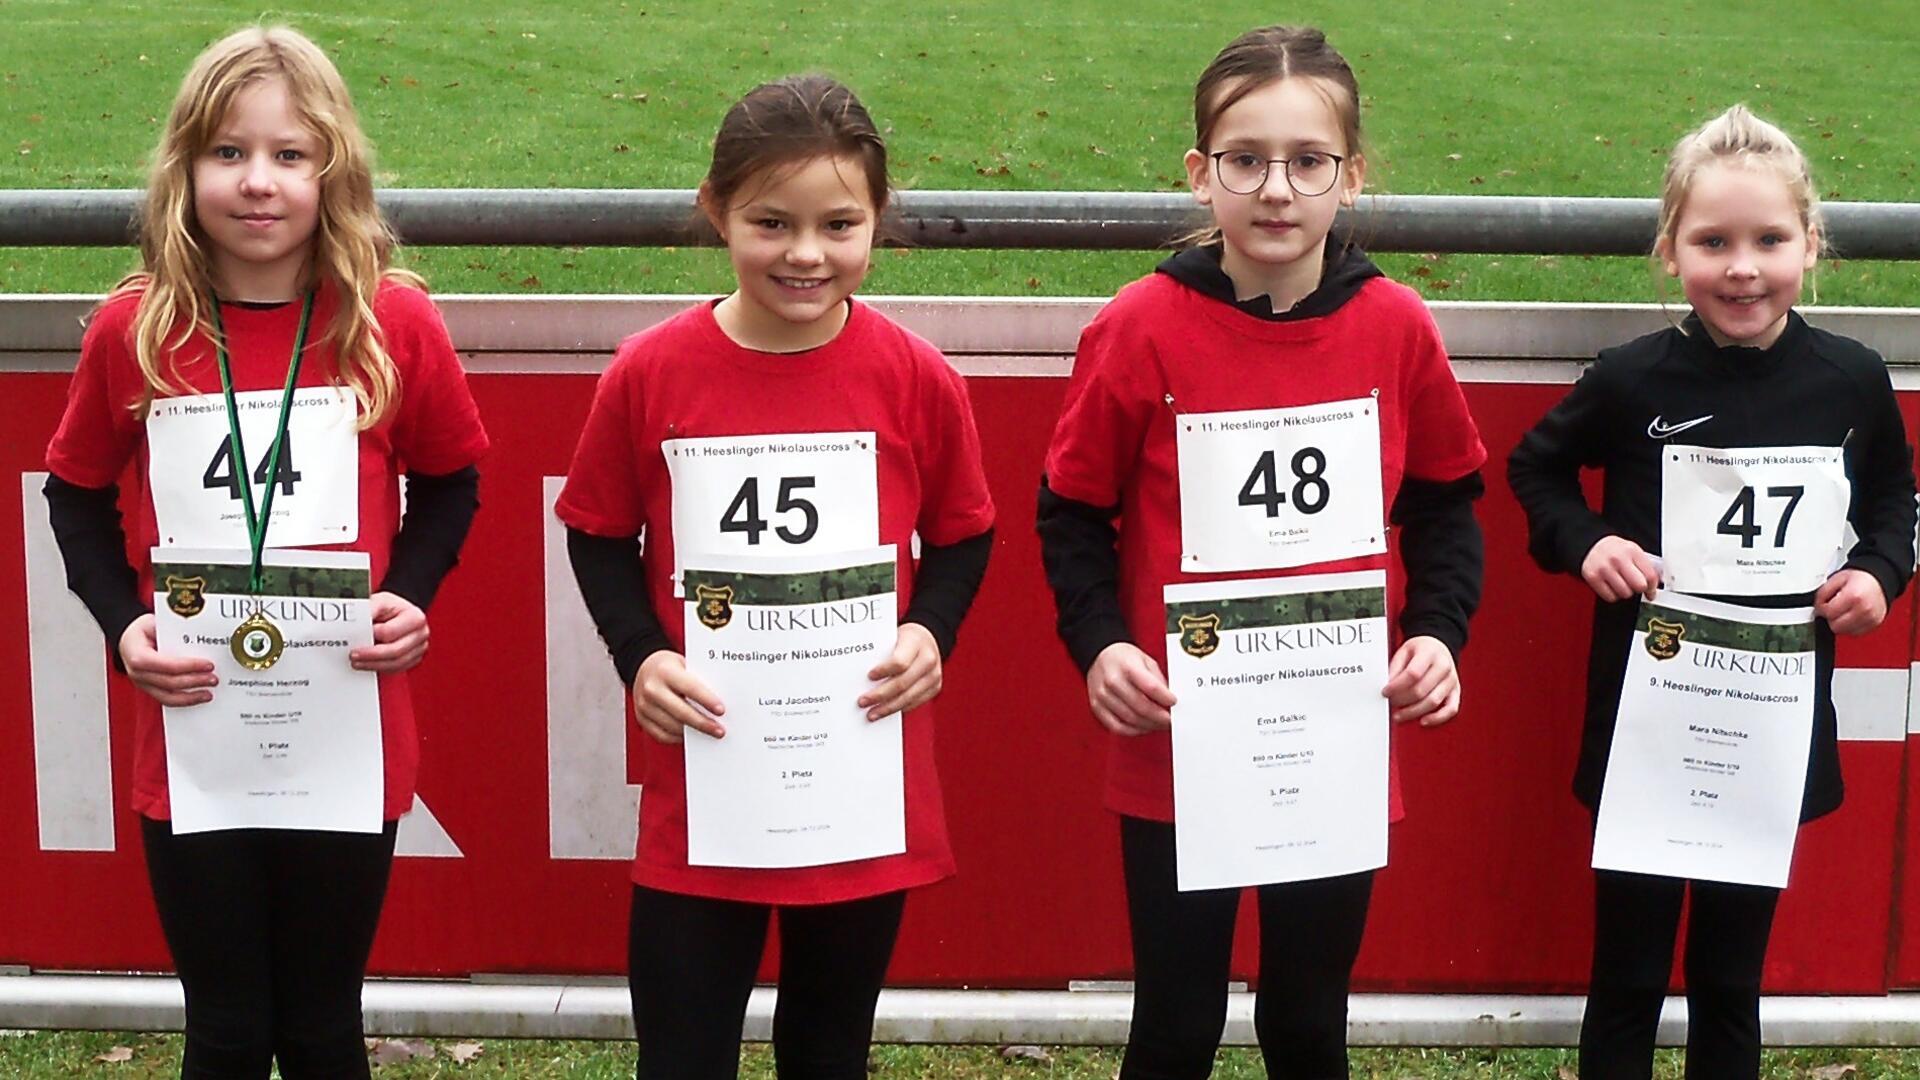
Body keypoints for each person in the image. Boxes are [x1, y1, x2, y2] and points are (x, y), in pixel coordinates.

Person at [1037, 25, 1486, 1080]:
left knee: (1306, 1018)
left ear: (1351, 177)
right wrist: (1101, 645)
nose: (1276, 189)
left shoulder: (1397, 327)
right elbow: (1071, 512)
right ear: (1201, 174)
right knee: (1178, 1020)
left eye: (1307, 162)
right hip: (1179, 738)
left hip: (1335, 733)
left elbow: (1446, 508)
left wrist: (1438, 633)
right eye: (1245, 160)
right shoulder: (1141, 326)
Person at [41, 25, 488, 1079]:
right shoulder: (137, 329)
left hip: (344, 722)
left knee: (324, 1024)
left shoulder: (391, 323)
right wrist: (125, 628)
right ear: (183, 170)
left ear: (333, 171)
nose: (258, 183)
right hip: (194, 732)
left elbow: (453, 479)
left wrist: (412, 595)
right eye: (228, 153)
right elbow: (73, 495)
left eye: (290, 155)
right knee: (229, 1027)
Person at [554, 74, 996, 1079]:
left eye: (839, 223)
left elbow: (965, 535)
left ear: (879, 220)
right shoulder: (651, 371)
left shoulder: (917, 376)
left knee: (829, 1050)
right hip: (707, 777)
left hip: (855, 775)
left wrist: (932, 631)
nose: (806, 253)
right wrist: (643, 655)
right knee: (681, 1055)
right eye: (770, 221)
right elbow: (595, 533)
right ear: (717, 212)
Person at [1507, 104, 1916, 1078]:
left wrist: (1880, 572)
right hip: (1649, 721)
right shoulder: (1629, 379)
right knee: (1629, 973)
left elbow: (1899, 497)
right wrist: (1589, 543)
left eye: (1770, 240)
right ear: (1670, 250)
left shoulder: (1852, 381)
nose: (1743, 267)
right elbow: (1536, 472)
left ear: (1810, 246)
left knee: (1732, 979)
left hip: (1768, 725)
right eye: (1713, 241)